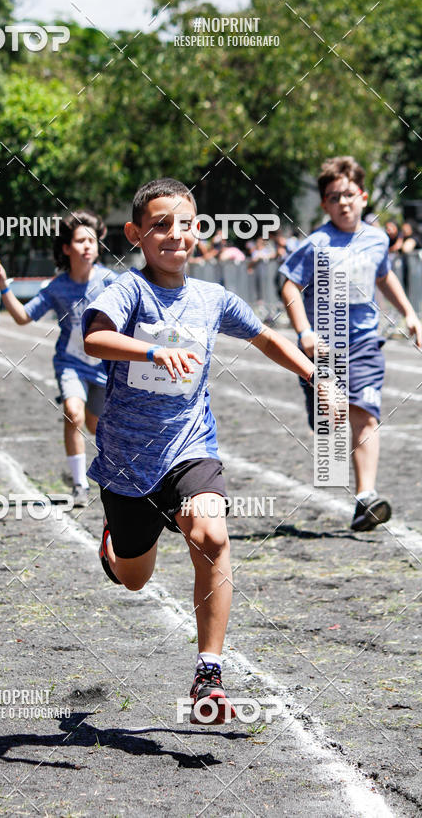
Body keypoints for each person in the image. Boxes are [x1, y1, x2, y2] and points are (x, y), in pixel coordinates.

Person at [81, 178, 339, 724]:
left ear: (199, 230)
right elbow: (95, 339)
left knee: (212, 534)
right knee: (134, 578)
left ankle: (209, 673)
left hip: (189, 444)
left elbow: (266, 339)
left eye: (185, 224)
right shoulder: (128, 292)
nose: (174, 235)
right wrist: (153, 349)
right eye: (160, 225)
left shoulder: (212, 298)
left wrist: (318, 376)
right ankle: (113, 545)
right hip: (127, 463)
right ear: (135, 234)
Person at [279, 156, 422, 532]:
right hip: (323, 347)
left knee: (365, 413)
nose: (343, 202)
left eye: (349, 194)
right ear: (325, 204)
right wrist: (305, 331)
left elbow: (384, 275)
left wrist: (409, 312)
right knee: (329, 422)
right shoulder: (316, 243)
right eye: (333, 197)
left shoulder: (376, 238)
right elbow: (288, 284)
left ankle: (366, 498)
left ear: (363, 196)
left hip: (364, 343)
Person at [0, 210, 117, 507]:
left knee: (97, 427)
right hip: (70, 363)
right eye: (80, 240)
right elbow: (22, 317)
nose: (87, 246)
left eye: (92, 240)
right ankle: (80, 485)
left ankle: (108, 478)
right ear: (66, 248)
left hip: (104, 365)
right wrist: (4, 287)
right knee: (73, 413)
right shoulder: (56, 287)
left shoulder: (111, 280)